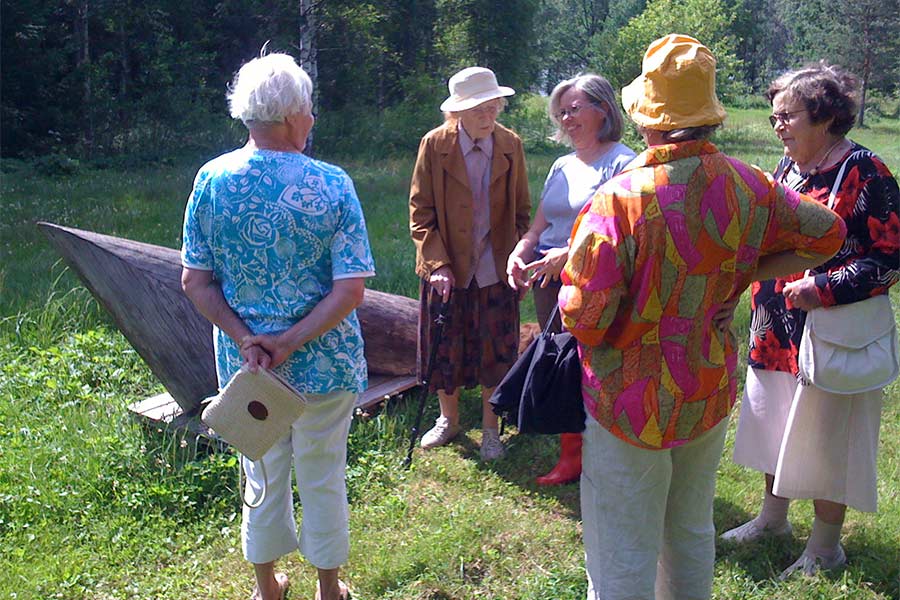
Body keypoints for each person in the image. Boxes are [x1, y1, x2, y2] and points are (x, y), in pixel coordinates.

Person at [560, 34, 847, 599]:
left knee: (622, 542)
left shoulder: (621, 199)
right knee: (690, 528)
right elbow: (828, 235)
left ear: (648, 119)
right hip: (705, 384)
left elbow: (586, 315)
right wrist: (742, 274)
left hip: (628, 397)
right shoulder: (751, 183)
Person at [181, 52, 375, 600]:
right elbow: (350, 290)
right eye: (309, 111)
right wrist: (289, 341)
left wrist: (249, 340)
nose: (312, 120)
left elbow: (195, 282)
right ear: (292, 115)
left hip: (248, 369)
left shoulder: (212, 179)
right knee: (322, 473)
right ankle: (329, 589)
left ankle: (268, 588)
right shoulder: (332, 183)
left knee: (261, 475)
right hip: (325, 364)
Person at [721, 62, 900, 578]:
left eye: (788, 115)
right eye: (774, 116)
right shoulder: (786, 168)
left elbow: (889, 259)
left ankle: (825, 549)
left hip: (830, 333)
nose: (777, 125)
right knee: (775, 424)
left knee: (825, 439)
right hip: (774, 327)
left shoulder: (867, 171)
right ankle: (772, 518)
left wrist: (823, 288)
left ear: (823, 116)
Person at [506, 74, 635, 486]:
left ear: (603, 111)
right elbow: (540, 224)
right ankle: (571, 455)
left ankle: (602, 451)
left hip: (589, 278)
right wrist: (520, 251)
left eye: (575, 108)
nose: (566, 117)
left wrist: (568, 254)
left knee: (592, 365)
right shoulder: (562, 165)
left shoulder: (623, 162)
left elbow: (619, 232)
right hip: (548, 276)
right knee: (560, 361)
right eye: (562, 110)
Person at [409, 66, 531, 461]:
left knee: (496, 348)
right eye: (480, 108)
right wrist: (437, 263)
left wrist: (520, 258)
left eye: (494, 105)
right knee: (446, 348)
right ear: (458, 112)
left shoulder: (510, 144)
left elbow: (522, 213)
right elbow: (420, 213)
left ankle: (492, 430)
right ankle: (449, 420)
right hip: (447, 269)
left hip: (496, 266)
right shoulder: (434, 145)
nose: (489, 114)